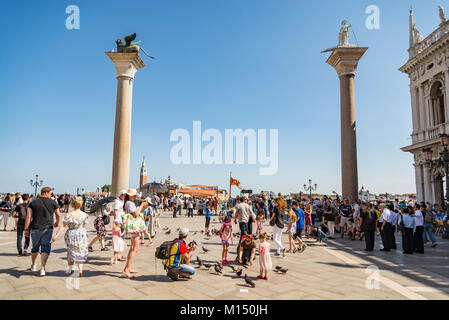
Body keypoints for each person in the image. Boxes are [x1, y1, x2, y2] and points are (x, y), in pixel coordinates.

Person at [24, 187, 61, 277]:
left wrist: (26, 229)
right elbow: (58, 215)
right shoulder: (53, 202)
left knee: (35, 247)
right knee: (45, 247)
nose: (51, 195)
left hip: (36, 227)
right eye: (50, 193)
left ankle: (33, 265)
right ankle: (42, 268)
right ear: (46, 193)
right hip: (48, 227)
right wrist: (56, 222)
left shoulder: (32, 203)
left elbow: (28, 217)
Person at [52, 197, 89, 277]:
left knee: (70, 251)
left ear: (72, 205)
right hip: (81, 233)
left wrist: (56, 235)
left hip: (71, 234)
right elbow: (84, 224)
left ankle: (70, 268)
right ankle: (80, 269)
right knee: (81, 251)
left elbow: (63, 226)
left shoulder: (69, 214)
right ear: (81, 204)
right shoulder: (85, 215)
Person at [122, 191, 148, 278]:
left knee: (133, 248)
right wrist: (141, 206)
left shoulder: (129, 203)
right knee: (135, 248)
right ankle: (126, 269)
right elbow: (136, 214)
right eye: (133, 195)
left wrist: (142, 206)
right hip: (134, 227)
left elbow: (135, 212)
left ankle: (128, 268)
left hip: (133, 227)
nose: (134, 197)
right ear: (129, 196)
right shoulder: (129, 203)